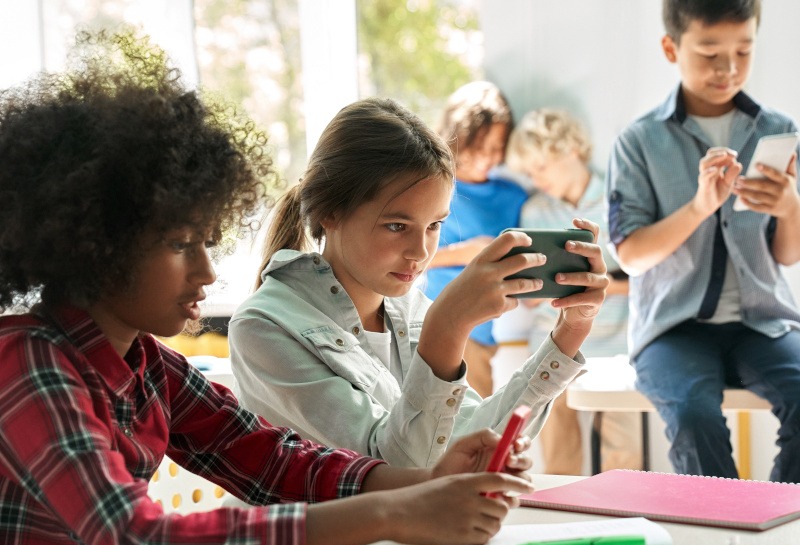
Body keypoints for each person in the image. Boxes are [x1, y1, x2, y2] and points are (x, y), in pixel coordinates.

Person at [0, 29, 539, 545]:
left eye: (208, 241)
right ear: (98, 244)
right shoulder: (28, 363)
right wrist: (394, 512)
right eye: (182, 243)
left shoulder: (148, 365)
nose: (208, 272)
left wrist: (424, 484)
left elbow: (273, 462)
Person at [228, 95, 611, 469]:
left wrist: (570, 331)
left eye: (434, 226)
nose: (420, 252)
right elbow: (400, 473)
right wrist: (447, 327)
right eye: (397, 226)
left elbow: (473, 441)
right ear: (330, 211)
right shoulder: (264, 328)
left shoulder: (407, 307)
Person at [607, 0, 800, 482]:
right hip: (674, 327)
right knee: (694, 417)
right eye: (710, 52)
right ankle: (722, 531)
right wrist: (699, 207)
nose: (729, 68)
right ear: (671, 48)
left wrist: (791, 208)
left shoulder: (779, 131)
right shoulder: (640, 141)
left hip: (764, 320)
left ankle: (774, 529)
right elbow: (629, 256)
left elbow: (787, 255)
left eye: (743, 50)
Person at [504, 107, 641, 474]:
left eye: (541, 167)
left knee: (623, 449)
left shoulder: (620, 201)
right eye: (529, 171)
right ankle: (562, 515)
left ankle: (620, 517)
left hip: (616, 346)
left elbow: (645, 275)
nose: (536, 178)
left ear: (572, 151)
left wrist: (601, 286)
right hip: (552, 341)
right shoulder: (535, 211)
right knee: (556, 445)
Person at [421, 81, 529, 397]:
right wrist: (467, 253)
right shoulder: (433, 186)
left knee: (472, 427)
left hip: (483, 330)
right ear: (458, 137)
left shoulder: (513, 197)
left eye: (497, 148)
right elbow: (409, 258)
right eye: (480, 147)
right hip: (433, 321)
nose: (488, 157)